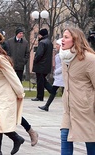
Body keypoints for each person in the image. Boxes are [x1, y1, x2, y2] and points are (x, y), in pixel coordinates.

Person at [0, 28, 38, 146]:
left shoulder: (2, 50)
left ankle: (28, 131)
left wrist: (19, 92)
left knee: (9, 112)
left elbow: (8, 63)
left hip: (7, 82)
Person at [59, 27, 95, 155]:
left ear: (75, 40)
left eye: (66, 37)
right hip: (69, 109)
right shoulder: (64, 58)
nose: (62, 40)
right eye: (62, 36)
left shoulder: (90, 59)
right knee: (65, 137)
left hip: (87, 111)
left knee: (91, 142)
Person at [38, 38, 64, 111]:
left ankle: (47, 106)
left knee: (60, 92)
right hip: (59, 76)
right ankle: (46, 106)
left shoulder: (63, 55)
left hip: (61, 75)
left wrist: (56, 71)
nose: (56, 46)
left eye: (58, 45)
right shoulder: (59, 54)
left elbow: (63, 66)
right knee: (55, 91)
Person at [31, 28, 53, 101]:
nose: (38, 36)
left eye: (39, 34)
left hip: (40, 65)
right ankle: (52, 91)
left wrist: (35, 60)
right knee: (43, 80)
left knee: (40, 81)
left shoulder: (42, 43)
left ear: (41, 35)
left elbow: (39, 54)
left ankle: (40, 96)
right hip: (46, 65)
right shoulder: (49, 42)